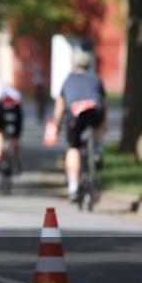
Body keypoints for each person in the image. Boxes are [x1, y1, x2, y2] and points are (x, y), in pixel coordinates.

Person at [46, 51, 105, 201]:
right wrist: (103, 127)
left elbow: (60, 107)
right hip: (94, 112)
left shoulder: (68, 80)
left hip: (76, 114)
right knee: (97, 122)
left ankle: (73, 187)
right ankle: (97, 150)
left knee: (73, 148)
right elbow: (104, 104)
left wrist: (56, 127)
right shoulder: (96, 78)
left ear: (74, 65)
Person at [0, 80, 23, 175]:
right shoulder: (16, 93)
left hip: (2, 112)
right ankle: (17, 162)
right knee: (16, 137)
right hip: (16, 112)